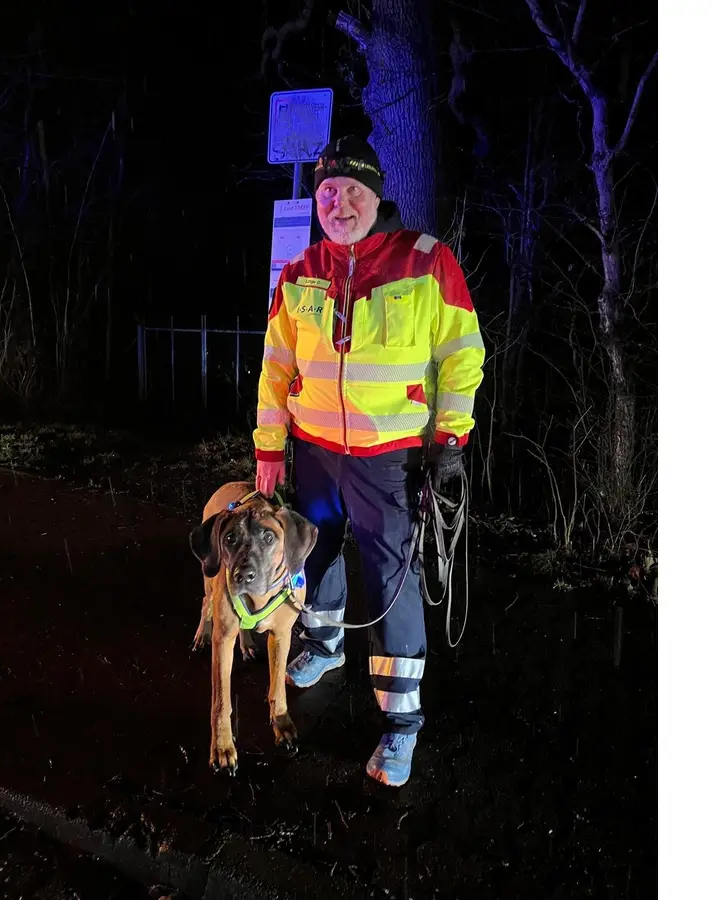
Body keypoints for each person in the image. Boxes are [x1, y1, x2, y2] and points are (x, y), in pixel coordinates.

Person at [252, 135, 485, 787]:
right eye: (326, 192)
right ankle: (324, 648)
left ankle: (400, 727)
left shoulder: (426, 262)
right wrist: (269, 450)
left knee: (390, 584)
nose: (338, 203)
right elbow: (275, 369)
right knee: (312, 554)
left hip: (391, 461)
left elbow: (463, 355)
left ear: (377, 196)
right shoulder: (299, 273)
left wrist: (449, 440)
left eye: (351, 191)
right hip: (316, 453)